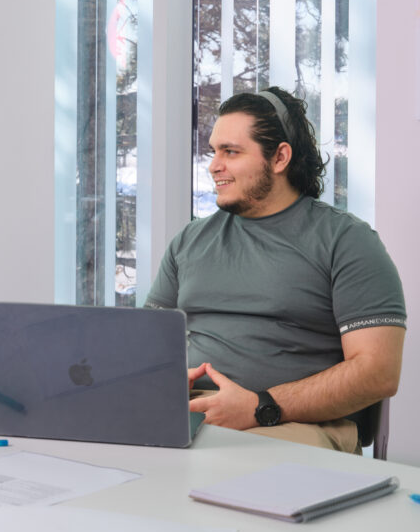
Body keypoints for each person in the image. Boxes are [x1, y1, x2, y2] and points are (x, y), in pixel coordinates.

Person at [145, 86, 406, 452]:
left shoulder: (347, 241)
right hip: (188, 412)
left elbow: (378, 372)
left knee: (222, 476)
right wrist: (164, 377)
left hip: (289, 422)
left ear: (280, 157)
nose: (214, 165)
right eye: (214, 152)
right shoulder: (190, 240)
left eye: (231, 152)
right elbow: (147, 346)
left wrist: (260, 406)